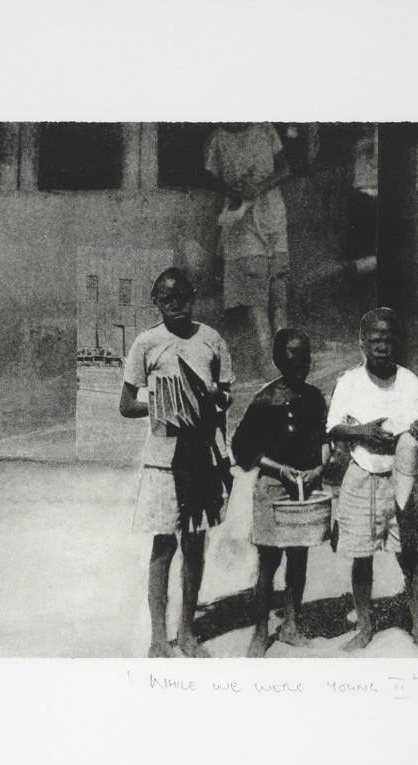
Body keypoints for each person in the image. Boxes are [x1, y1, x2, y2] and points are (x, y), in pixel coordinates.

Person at [120, 268, 233, 658]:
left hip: (201, 457)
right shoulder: (146, 342)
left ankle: (186, 632)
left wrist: (216, 400)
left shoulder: (212, 340)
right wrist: (163, 405)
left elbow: (225, 402)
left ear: (193, 297)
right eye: (167, 300)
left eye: (182, 297)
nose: (176, 305)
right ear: (156, 302)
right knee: (163, 546)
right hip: (163, 460)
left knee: (195, 545)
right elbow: (126, 404)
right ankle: (157, 637)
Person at [326, 308, 418, 654]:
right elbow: (333, 427)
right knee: (362, 556)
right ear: (362, 343)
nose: (382, 346)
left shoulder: (410, 382)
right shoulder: (349, 381)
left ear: (397, 343)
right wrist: (364, 431)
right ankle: (365, 627)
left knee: (409, 554)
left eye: (388, 340)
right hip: (360, 475)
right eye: (375, 340)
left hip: (400, 478)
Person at [231, 329, 329, 658]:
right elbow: (242, 449)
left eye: (305, 357)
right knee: (269, 562)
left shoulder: (315, 398)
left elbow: (324, 441)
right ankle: (260, 632)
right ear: (276, 360)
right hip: (272, 488)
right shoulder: (264, 400)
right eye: (291, 358)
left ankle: (291, 626)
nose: (300, 365)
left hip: (306, 487)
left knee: (298, 559)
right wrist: (279, 469)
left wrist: (319, 469)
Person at [204, 123, 289, 370]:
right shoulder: (219, 137)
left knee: (278, 288)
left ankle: (283, 354)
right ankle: (266, 355)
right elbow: (208, 175)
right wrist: (230, 189)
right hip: (241, 218)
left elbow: (285, 169)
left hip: (272, 213)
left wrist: (260, 187)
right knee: (256, 289)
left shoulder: (265, 129)